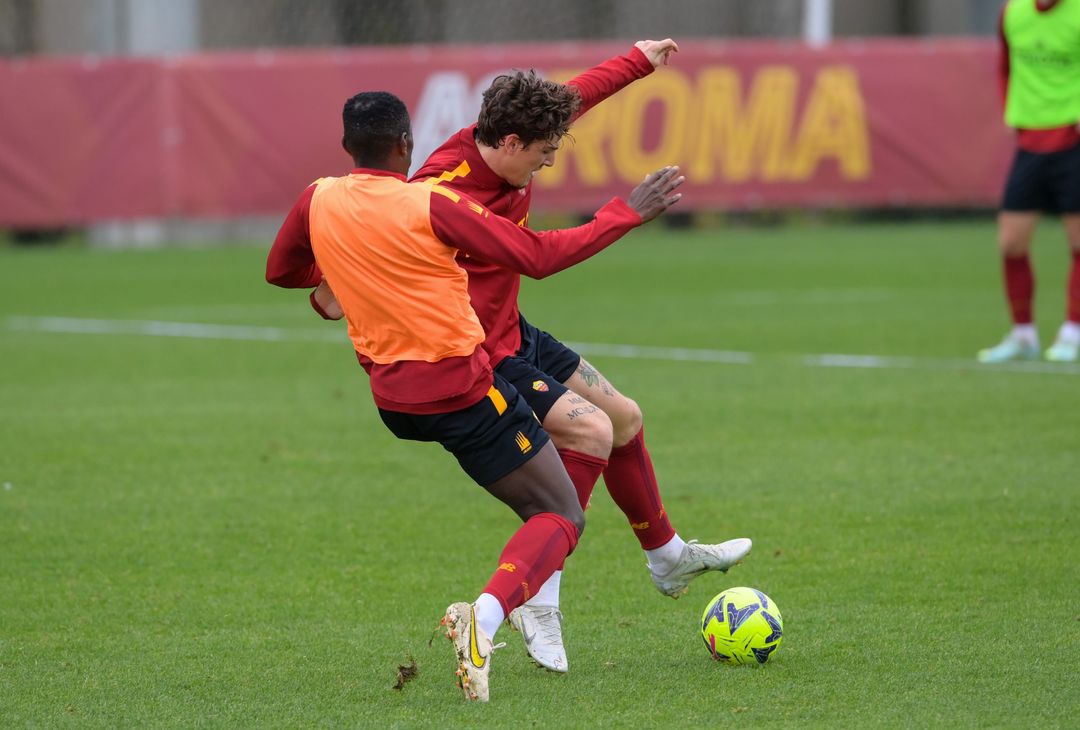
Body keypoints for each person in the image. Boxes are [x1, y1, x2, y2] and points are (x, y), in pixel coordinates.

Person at [309, 39, 752, 674]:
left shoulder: (505, 136)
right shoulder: (440, 187)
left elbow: (569, 101)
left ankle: (666, 556)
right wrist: (625, 213)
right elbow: (529, 256)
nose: (545, 167)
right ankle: (539, 598)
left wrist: (638, 60)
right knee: (590, 432)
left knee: (624, 417)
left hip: (514, 329)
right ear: (512, 144)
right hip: (480, 352)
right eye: (543, 157)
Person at [266, 91, 683, 701]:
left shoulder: (318, 197)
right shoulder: (433, 203)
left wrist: (345, 271)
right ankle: (483, 619)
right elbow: (536, 257)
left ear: (346, 147)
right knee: (561, 513)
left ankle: (605, 578)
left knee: (577, 457)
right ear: (407, 145)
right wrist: (626, 213)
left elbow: (282, 270)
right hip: (459, 389)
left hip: (393, 401)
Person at [978, 0, 1080, 363]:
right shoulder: (1013, 12)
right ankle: (1023, 335)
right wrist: (1011, 108)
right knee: (1011, 243)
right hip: (1030, 143)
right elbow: (1005, 66)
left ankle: (1073, 332)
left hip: (1073, 140)